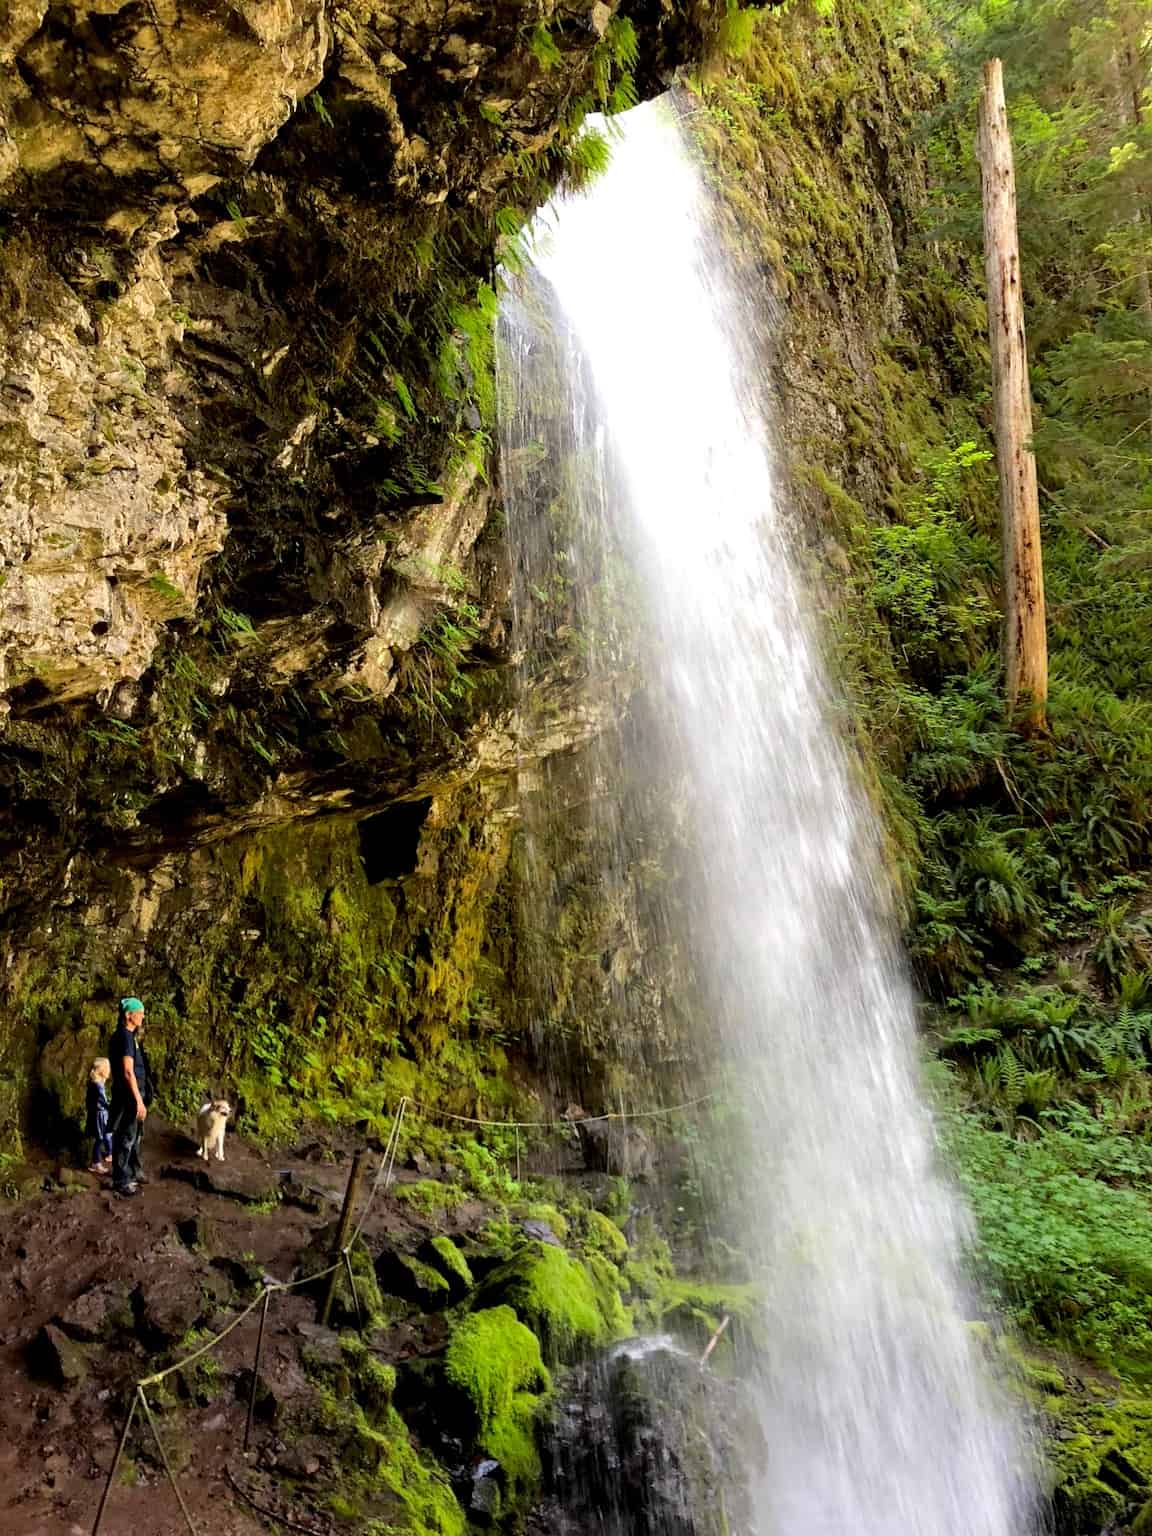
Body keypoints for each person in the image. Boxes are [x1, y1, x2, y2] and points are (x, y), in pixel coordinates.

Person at [108, 997, 147, 1198]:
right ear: (128, 1015)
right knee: (126, 1136)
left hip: (133, 1093)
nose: (142, 1015)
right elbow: (127, 1071)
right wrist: (138, 1100)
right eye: (139, 1012)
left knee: (134, 1135)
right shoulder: (124, 1037)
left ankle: (132, 1172)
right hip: (129, 1095)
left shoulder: (129, 1036)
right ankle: (121, 1179)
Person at [85, 1058, 112, 1175]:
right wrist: (113, 1107)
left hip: (98, 1114)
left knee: (105, 1135)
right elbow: (103, 1101)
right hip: (99, 1115)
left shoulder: (95, 1083)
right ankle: (96, 1163)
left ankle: (109, 1153)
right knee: (100, 1138)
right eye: (107, 1068)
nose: (109, 1070)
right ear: (102, 1070)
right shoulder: (98, 1086)